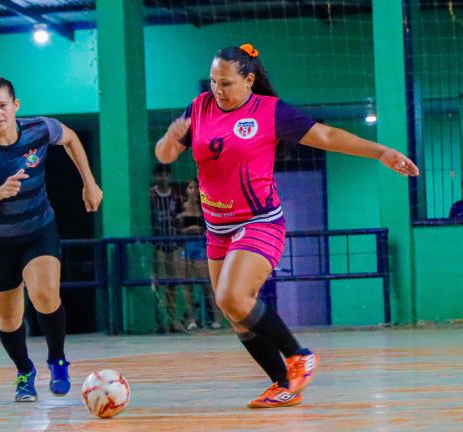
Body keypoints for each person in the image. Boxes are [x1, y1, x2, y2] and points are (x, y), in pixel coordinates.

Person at [155, 44, 419, 408]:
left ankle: (300, 355)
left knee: (232, 297)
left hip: (259, 221)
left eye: (227, 83)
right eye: (214, 81)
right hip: (217, 227)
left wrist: (381, 152)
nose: (218, 89)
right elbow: (166, 156)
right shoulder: (199, 107)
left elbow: (326, 136)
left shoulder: (270, 112)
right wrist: (170, 137)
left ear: (249, 81)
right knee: (234, 314)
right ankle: (283, 384)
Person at [0, 76, 103, 402]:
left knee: (45, 294)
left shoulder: (40, 128)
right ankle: (24, 371)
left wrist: (89, 183)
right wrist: (0, 191)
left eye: (2, 105)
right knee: (9, 319)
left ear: (15, 106)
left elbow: (71, 139)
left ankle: (58, 359)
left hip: (39, 230)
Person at [150, 163, 195, 333]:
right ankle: (161, 321)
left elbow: (179, 220)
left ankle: (173, 319)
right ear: (155, 176)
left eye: (166, 174)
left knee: (173, 283)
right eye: (160, 174)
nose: (163, 177)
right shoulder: (151, 195)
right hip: (158, 245)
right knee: (159, 282)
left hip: (173, 244)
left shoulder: (176, 196)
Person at [176, 178, 223, 329]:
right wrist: (187, 230)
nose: (193, 191)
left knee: (207, 284)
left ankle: (216, 318)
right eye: (190, 187)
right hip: (185, 247)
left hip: (201, 247)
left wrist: (201, 231)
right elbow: (176, 230)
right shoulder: (181, 207)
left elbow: (213, 226)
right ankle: (191, 319)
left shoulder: (204, 207)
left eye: (195, 188)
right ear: (186, 190)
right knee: (187, 284)